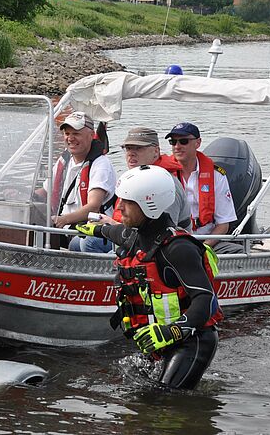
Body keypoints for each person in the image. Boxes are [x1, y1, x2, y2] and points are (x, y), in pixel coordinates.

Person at [75, 165, 222, 389]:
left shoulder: (178, 248)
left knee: (163, 400)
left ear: (149, 204)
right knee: (135, 393)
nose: (119, 207)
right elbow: (116, 232)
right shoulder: (136, 236)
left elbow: (206, 300)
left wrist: (173, 330)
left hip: (191, 341)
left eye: (128, 201)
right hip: (158, 340)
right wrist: (96, 229)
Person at [75, 127, 190, 254]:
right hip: (132, 234)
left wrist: (111, 224)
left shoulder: (165, 184)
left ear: (156, 151)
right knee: (76, 242)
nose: (131, 153)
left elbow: (164, 233)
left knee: (89, 243)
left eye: (138, 148)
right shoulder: (135, 178)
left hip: (162, 248)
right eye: (128, 148)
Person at [42, 112, 115, 249]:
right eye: (67, 133)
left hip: (91, 229)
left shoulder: (100, 164)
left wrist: (64, 220)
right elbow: (45, 191)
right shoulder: (64, 161)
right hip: (64, 228)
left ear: (91, 135)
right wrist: (21, 196)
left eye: (76, 133)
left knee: (80, 243)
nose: (70, 138)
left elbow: (94, 206)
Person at [166, 122, 237, 250]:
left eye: (183, 141)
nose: (177, 146)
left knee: (237, 251)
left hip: (207, 240)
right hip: (172, 242)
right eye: (173, 142)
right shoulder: (163, 175)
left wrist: (204, 248)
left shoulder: (216, 175)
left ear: (197, 143)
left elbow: (223, 224)